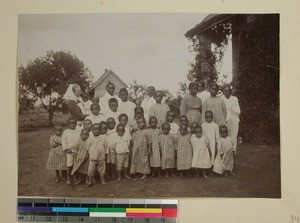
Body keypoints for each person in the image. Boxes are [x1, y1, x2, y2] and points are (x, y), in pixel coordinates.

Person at [86, 122, 109, 187]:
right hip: (93, 157)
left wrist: (106, 155)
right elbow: (87, 148)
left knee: (102, 169)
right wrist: (89, 155)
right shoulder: (89, 139)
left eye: (98, 129)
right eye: (94, 129)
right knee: (90, 170)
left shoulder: (103, 138)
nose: (96, 131)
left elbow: (106, 147)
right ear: (92, 130)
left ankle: (102, 180)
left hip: (101, 157)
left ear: (100, 130)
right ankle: (90, 181)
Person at [221, 85, 241, 152]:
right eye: (225, 91)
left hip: (234, 118)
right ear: (223, 92)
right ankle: (226, 151)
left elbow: (238, 111)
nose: (227, 92)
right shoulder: (221, 99)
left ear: (230, 91)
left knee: (234, 136)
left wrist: (230, 108)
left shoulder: (234, 98)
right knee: (225, 135)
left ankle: (233, 151)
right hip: (225, 119)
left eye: (228, 91)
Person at [62, 117, 80, 185]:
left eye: (74, 123)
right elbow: (63, 141)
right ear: (68, 124)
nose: (72, 125)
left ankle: (75, 177)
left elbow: (80, 140)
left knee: (76, 164)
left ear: (76, 124)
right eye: (71, 123)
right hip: (69, 151)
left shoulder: (78, 131)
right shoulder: (66, 132)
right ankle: (68, 178)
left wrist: (78, 148)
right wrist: (66, 149)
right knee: (69, 164)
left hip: (76, 151)